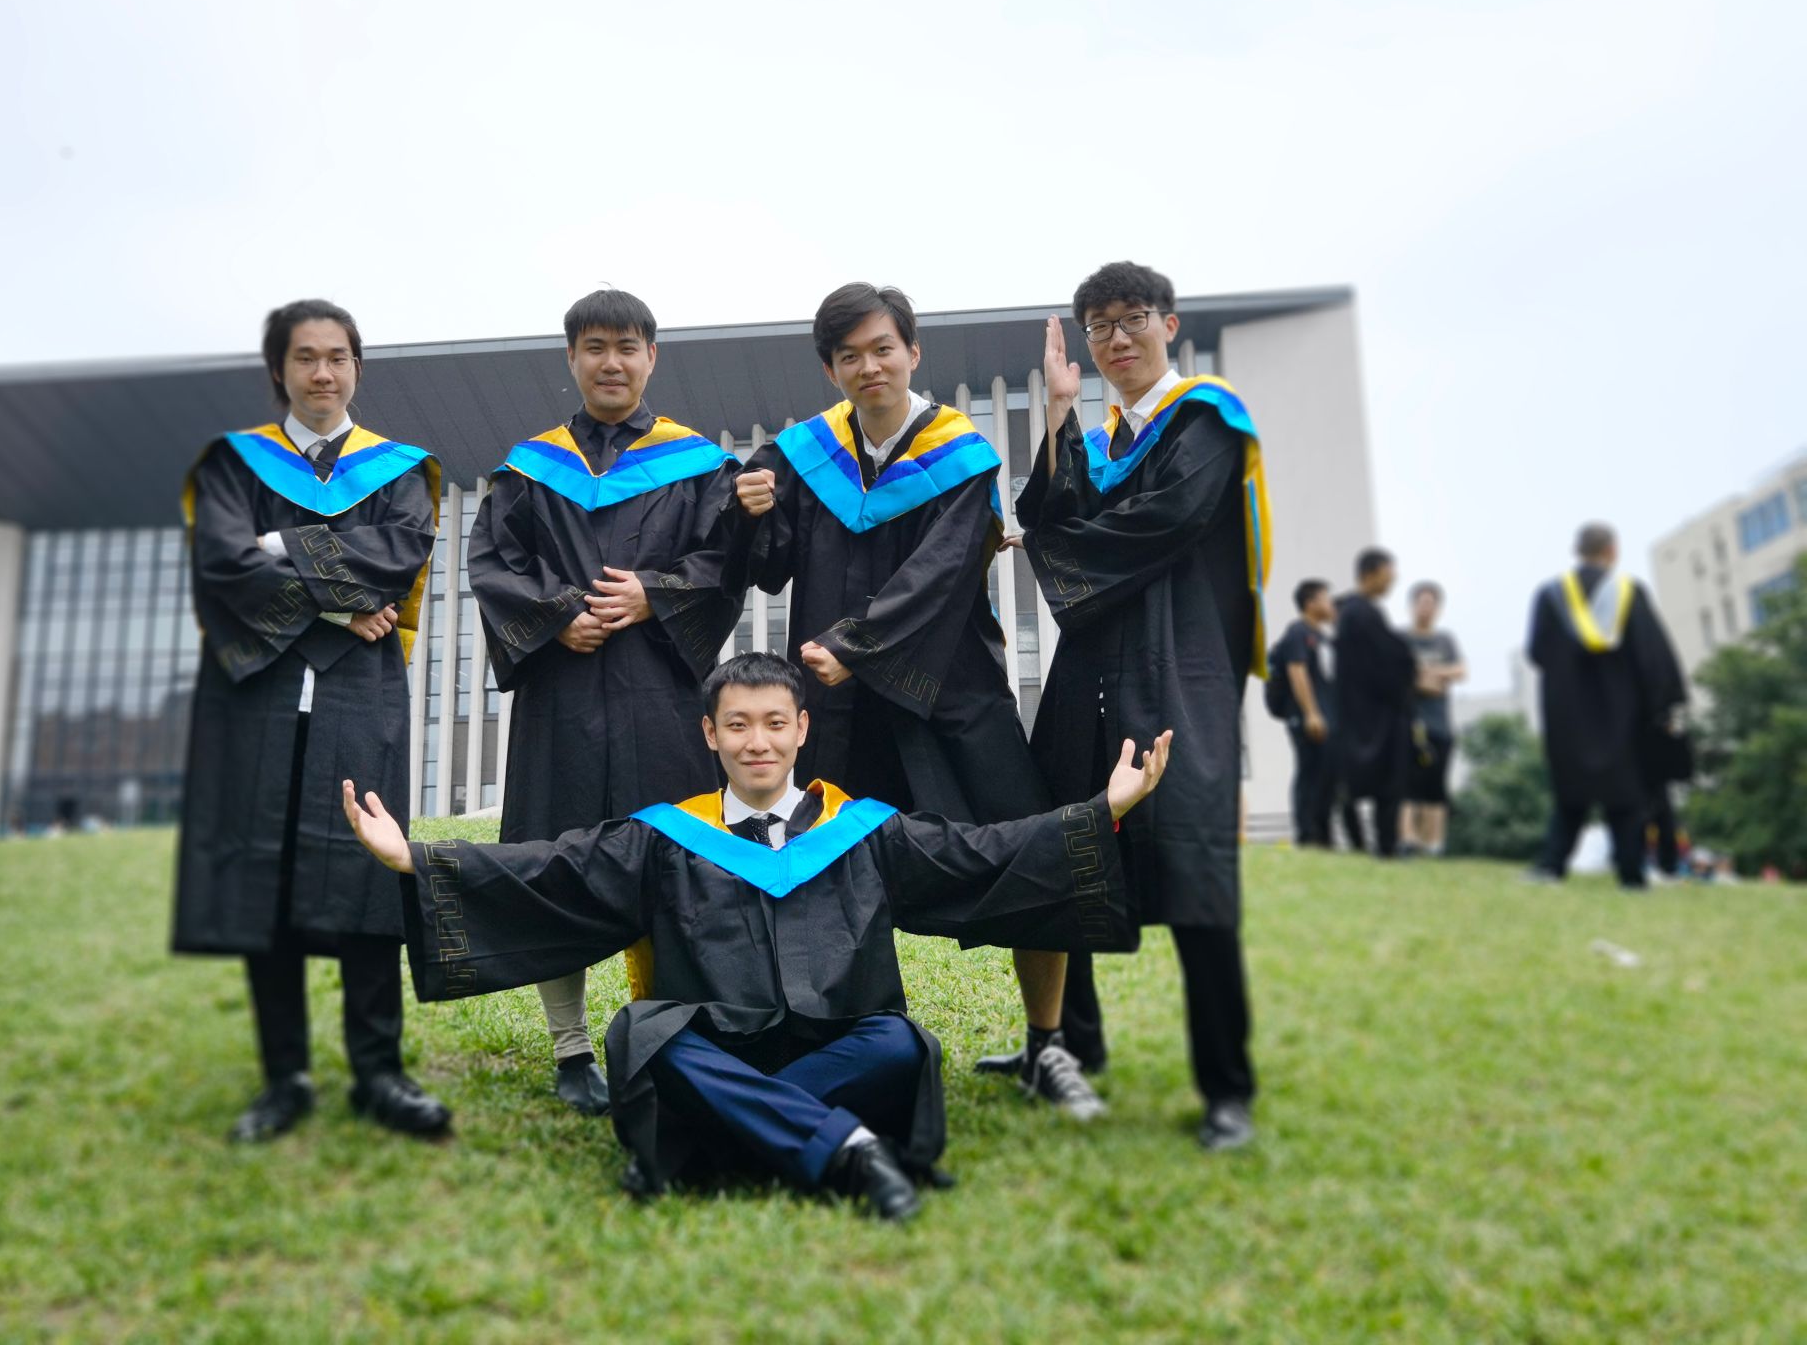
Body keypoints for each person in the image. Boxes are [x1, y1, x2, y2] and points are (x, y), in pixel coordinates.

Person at [343, 651, 1168, 1220]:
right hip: (716, 1046)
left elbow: (980, 856)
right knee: (645, 1036)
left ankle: (713, 1136)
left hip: (843, 1044)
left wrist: (1106, 810)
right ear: (710, 735)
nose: (758, 742)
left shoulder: (863, 829)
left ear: (802, 729)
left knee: (901, 1044)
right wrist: (415, 858)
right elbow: (553, 871)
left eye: (774, 723)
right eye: (737, 726)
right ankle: (847, 1146)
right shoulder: (666, 836)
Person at [727, 282, 1104, 1120]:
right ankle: (847, 1046)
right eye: (849, 356)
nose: (869, 366)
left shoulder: (960, 455)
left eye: (882, 349)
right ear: (831, 368)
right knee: (826, 874)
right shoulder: (803, 453)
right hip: (839, 705)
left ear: (912, 352)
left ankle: (1049, 1045)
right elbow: (770, 566)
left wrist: (857, 647)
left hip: (949, 693)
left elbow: (943, 572)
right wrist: (751, 513)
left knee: (1029, 851)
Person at [1001, 261, 1274, 1153]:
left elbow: (1162, 520)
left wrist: (1054, 539)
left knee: (1197, 880)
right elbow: (1051, 508)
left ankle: (1227, 1089)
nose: (1117, 339)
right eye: (1100, 327)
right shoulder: (1102, 434)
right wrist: (1056, 412)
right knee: (1067, 846)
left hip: (1176, 671)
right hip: (1089, 674)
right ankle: (1068, 1042)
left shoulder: (1208, 420)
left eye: (1132, 319)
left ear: (1169, 323)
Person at [171, 299, 452, 1143]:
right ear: (279, 370)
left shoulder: (398, 471)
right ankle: (284, 1075)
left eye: (337, 357)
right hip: (255, 692)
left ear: (356, 368)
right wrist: (333, 610)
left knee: (367, 869)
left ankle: (378, 1071)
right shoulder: (233, 463)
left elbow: (396, 557)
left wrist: (279, 546)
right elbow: (222, 563)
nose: (322, 372)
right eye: (305, 358)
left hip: (359, 695)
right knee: (267, 877)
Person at [467, 288, 745, 1115]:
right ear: (572, 358)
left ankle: (666, 1035)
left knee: (671, 857)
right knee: (557, 858)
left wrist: (655, 595)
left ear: (651, 356)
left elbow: (726, 561)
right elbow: (493, 564)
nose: (612, 362)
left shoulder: (697, 464)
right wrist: (557, 618)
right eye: (595, 346)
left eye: (627, 346)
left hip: (661, 693)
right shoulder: (528, 468)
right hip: (562, 695)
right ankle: (571, 1049)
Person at [1526, 523, 1687, 889]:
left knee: (1570, 792)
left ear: (1577, 551)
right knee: (1625, 792)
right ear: (1612, 550)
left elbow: (1536, 652)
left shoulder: (1549, 595)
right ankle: (1631, 875)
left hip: (1567, 711)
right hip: (1621, 712)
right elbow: (1652, 657)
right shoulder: (1629, 592)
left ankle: (1551, 867)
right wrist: (1663, 705)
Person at [1334, 548, 1416, 858]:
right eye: (1388, 575)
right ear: (1371, 573)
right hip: (1375, 714)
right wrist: (1408, 667)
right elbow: (1390, 659)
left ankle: (1379, 845)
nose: (1391, 582)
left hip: (1365, 712)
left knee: (1365, 784)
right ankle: (1384, 846)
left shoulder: (1356, 613)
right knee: (1382, 783)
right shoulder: (1360, 613)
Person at [1270, 581, 1338, 849]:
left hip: (1327, 717)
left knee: (1326, 774)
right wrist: (1311, 713)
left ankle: (1323, 834)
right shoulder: (1298, 632)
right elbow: (1297, 671)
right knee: (1309, 772)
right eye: (1326, 599)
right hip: (1306, 716)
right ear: (1310, 603)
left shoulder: (1323, 638)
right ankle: (1307, 835)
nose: (1331, 604)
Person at [1402, 582, 1465, 855]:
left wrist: (1429, 673)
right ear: (1412, 605)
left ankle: (1434, 843)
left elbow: (1461, 671)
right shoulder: (1401, 638)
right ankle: (1407, 839)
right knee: (1406, 783)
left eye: (1431, 603)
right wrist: (1423, 680)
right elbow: (1396, 672)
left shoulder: (1445, 640)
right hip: (1408, 721)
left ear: (1438, 608)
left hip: (1440, 722)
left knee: (1436, 784)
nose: (1425, 608)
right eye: (1421, 602)